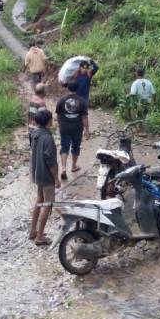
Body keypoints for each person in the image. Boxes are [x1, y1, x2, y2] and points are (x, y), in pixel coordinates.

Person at [28, 109, 61, 246]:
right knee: (47, 203)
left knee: (39, 200)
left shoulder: (34, 133)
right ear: (49, 121)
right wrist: (56, 178)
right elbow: (50, 160)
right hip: (46, 175)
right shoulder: (47, 138)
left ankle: (32, 231)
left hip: (36, 172)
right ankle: (40, 236)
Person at [55, 81, 90, 178]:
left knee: (64, 147)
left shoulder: (61, 100)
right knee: (75, 147)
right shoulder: (82, 101)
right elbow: (84, 117)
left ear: (68, 88)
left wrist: (60, 125)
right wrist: (87, 130)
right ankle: (74, 166)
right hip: (77, 128)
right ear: (77, 89)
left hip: (64, 127)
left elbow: (58, 115)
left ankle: (63, 168)